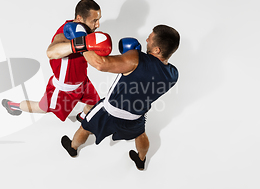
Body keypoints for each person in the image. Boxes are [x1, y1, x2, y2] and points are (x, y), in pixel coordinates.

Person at [60, 25, 180, 170]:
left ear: (157, 50)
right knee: (140, 135)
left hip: (110, 111)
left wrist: (80, 42)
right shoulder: (173, 74)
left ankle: (72, 147)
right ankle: (141, 159)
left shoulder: (136, 59)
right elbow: (149, 75)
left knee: (85, 127)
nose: (147, 39)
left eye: (151, 39)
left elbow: (100, 64)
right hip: (136, 116)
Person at [2, 0, 112, 122]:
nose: (98, 25)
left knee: (96, 104)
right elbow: (50, 52)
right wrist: (78, 45)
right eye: (95, 20)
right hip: (63, 90)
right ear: (80, 18)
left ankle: (81, 117)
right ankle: (12, 105)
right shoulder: (65, 33)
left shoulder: (85, 31)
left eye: (99, 19)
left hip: (83, 83)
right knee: (40, 108)